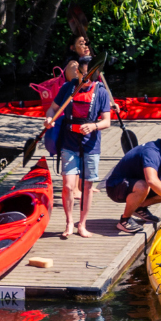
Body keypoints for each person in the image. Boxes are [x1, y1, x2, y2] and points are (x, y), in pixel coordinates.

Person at [41, 55, 112, 238]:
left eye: (91, 75)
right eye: (84, 74)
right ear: (78, 72)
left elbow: (106, 121)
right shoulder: (68, 88)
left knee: (87, 186)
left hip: (90, 144)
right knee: (68, 186)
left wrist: (94, 125)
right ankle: (69, 223)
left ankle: (82, 224)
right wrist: (49, 119)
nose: (87, 78)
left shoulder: (101, 92)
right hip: (69, 142)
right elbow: (52, 109)